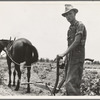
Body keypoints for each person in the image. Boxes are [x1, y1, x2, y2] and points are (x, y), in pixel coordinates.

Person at [57, 4, 87, 95]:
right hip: (70, 58)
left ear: (74, 13)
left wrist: (63, 54)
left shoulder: (80, 25)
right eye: (66, 15)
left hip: (77, 58)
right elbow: (69, 45)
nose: (68, 17)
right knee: (66, 81)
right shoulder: (70, 28)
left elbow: (76, 42)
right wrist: (65, 59)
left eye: (70, 14)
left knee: (71, 84)